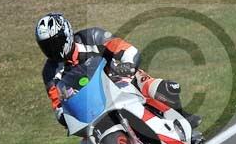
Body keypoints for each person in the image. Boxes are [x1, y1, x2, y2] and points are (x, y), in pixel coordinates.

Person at [35, 12, 202, 132]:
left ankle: (182, 116)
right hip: (92, 105)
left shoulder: (92, 36)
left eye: (55, 42)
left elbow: (126, 49)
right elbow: (57, 104)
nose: (52, 49)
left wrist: (128, 65)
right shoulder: (50, 72)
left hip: (121, 78)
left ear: (67, 34)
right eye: (46, 46)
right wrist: (63, 116)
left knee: (159, 88)